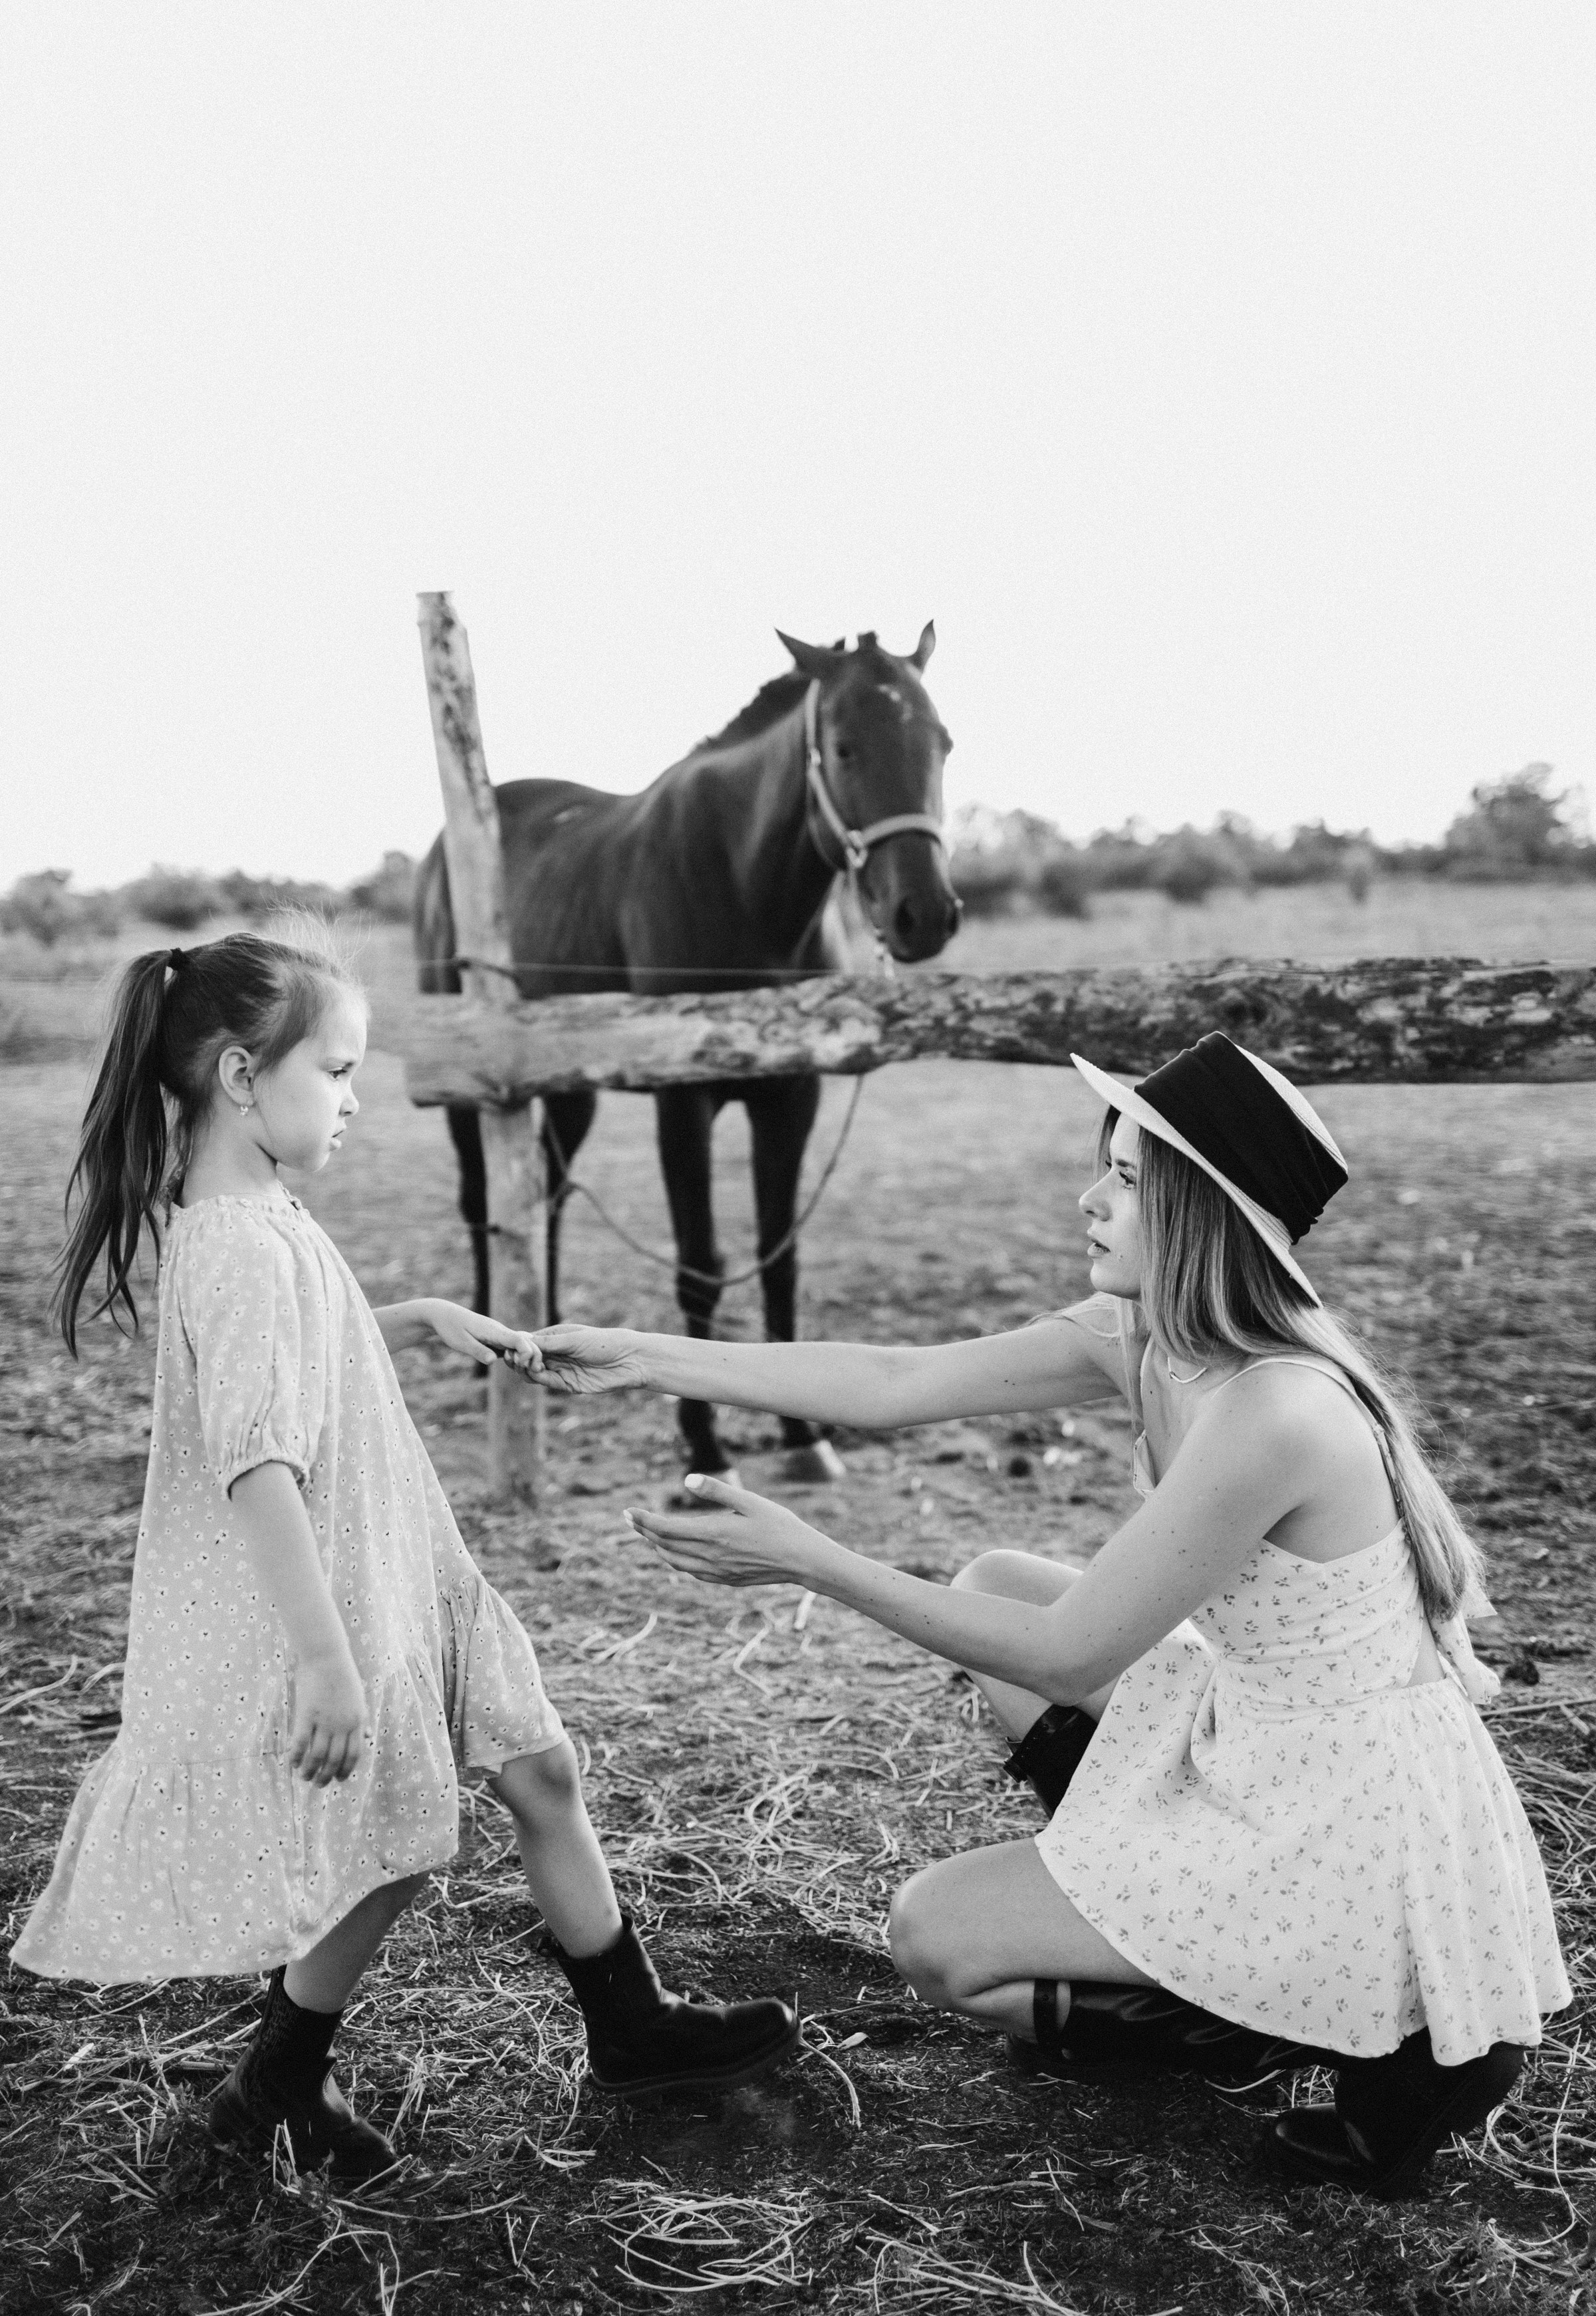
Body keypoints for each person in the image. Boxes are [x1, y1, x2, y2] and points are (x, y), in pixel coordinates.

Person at [527, 1034, 1570, 2200]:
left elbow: (1071, 1656)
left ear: (1198, 1208)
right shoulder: (1147, 1337)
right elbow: (892, 1383)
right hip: (1257, 1724)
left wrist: (812, 1560)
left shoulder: (1278, 1408)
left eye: (1126, 1179)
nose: (1092, 1197)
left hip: (1337, 1815)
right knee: (994, 1578)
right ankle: (1166, 1923)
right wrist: (643, 1357)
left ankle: (1304, 2025)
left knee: (935, 1937)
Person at [12, 927, 797, 2182]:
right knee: (395, 1845)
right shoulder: (237, 1244)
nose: (355, 1098)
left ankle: (628, 2025)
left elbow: (292, 1356)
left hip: (397, 1563)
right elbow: (255, 1458)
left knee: (538, 1767)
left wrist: (414, 1320)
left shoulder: (256, 1216)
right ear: (236, 1075)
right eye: (334, 1070)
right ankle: (276, 2083)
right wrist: (324, 1661)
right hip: (343, 1596)